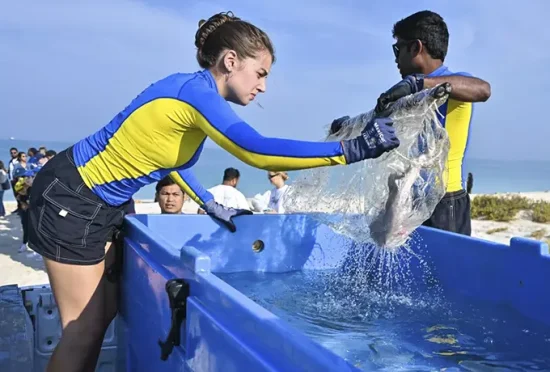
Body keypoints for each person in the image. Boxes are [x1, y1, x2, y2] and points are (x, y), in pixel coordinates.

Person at [26, 11, 403, 371]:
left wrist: (208, 203)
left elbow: (172, 161)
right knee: (82, 330)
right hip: (73, 198)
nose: (263, 86)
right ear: (230, 60)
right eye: (260, 73)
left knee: (104, 315)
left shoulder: (197, 92)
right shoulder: (196, 94)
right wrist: (347, 150)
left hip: (105, 204)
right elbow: (254, 150)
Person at [331, 10, 491, 236]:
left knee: (443, 271)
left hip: (446, 204)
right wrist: (348, 126)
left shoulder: (453, 83)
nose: (396, 58)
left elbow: (483, 90)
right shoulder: (407, 96)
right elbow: (378, 121)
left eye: (398, 49)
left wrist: (418, 83)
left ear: (416, 48)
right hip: (411, 201)